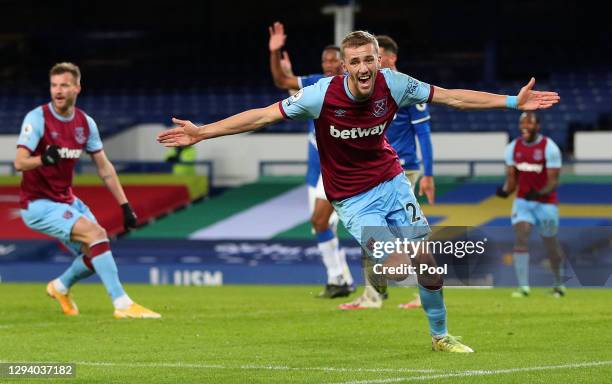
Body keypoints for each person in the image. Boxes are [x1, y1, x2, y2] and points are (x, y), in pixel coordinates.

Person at [158, 31, 559, 352]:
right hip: (351, 196)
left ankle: (440, 337)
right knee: (397, 267)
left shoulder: (396, 84)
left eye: (371, 59)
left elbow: (453, 97)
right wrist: (203, 132)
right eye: (356, 62)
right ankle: (376, 267)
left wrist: (511, 101)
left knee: (429, 265)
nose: (365, 67)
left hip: (391, 180)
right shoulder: (320, 95)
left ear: (379, 60)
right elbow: (261, 116)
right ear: (345, 67)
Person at [14, 62, 160, 319]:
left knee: (97, 253)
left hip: (66, 199)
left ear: (77, 88)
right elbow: (19, 162)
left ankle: (59, 287)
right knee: (97, 234)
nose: (58, 91)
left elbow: (104, 168)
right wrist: (43, 160)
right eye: (54, 85)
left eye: (64, 85)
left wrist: (125, 206)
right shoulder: (37, 118)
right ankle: (123, 304)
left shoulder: (85, 123)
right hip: (37, 204)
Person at [339, 35, 434, 310]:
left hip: (404, 169)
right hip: (374, 173)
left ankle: (421, 291)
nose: (372, 66)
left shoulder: (404, 88)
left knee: (409, 236)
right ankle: (374, 295)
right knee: (373, 236)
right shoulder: (365, 90)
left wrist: (429, 173)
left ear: (389, 58)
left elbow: (424, 133)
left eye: (377, 59)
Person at [269, 21, 354, 298]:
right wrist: (275, 52)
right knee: (323, 225)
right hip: (315, 171)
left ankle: (345, 281)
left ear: (344, 63)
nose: (328, 64)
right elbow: (283, 82)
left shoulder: (352, 88)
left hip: (339, 168)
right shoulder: (316, 83)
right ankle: (342, 280)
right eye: (324, 60)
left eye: (333, 60)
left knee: (324, 223)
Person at [496, 112, 566, 298]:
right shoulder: (513, 148)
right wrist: (504, 191)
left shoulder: (549, 148)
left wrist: (539, 193)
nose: (525, 126)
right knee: (521, 236)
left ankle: (559, 284)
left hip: (546, 204)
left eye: (530, 123)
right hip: (523, 203)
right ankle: (523, 287)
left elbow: (553, 182)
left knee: (550, 243)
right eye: (522, 123)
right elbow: (511, 181)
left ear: (538, 126)